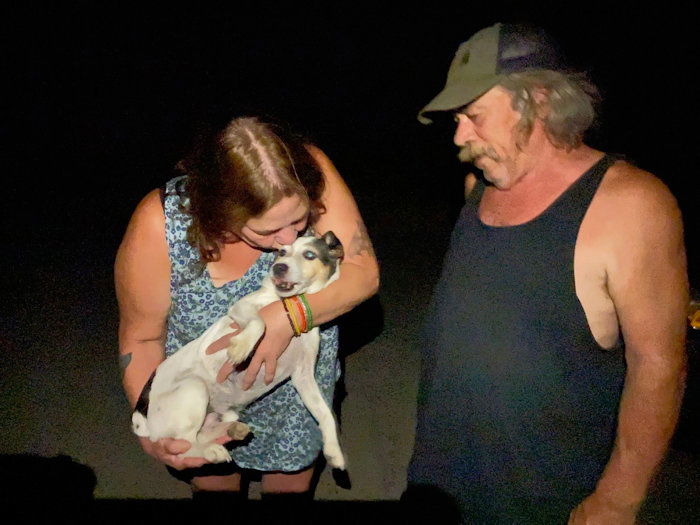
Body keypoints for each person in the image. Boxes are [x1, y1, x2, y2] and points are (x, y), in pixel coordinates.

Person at [403, 23, 688, 524]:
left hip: (541, 495)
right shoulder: (477, 186)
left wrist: (618, 500)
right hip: (438, 478)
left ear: (537, 100)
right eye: (457, 119)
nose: (459, 136)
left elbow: (659, 366)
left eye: (474, 116)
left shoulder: (631, 205)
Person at [115, 116, 379, 508]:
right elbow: (141, 337)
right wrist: (151, 423)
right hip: (204, 394)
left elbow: (363, 273)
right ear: (219, 213)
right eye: (268, 232)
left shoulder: (303, 170)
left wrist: (289, 316)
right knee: (216, 494)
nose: (289, 239)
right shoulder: (159, 223)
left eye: (299, 220)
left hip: (293, 396)